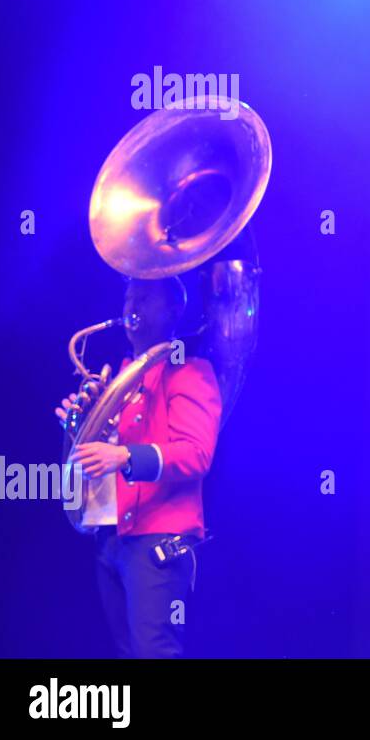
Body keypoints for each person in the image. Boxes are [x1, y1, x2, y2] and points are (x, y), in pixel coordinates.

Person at [56, 277, 221, 658]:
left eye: (145, 297)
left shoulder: (191, 372)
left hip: (157, 537)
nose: (132, 304)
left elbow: (196, 453)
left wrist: (126, 457)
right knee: (128, 652)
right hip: (111, 535)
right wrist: (78, 427)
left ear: (173, 310)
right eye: (129, 295)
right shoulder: (118, 380)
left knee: (154, 652)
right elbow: (99, 449)